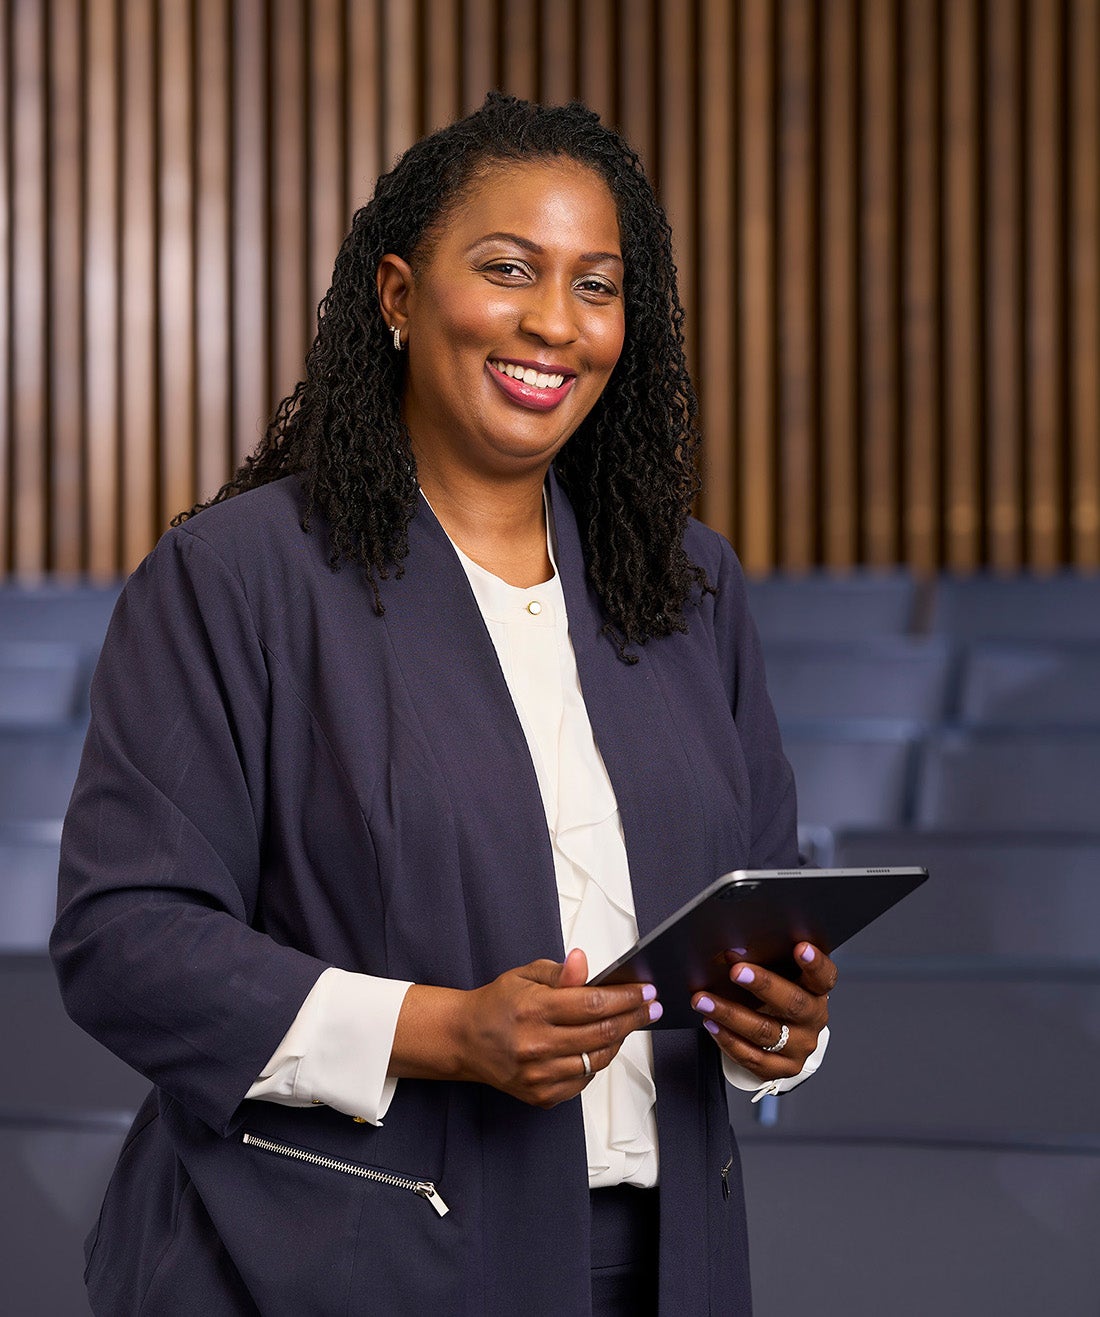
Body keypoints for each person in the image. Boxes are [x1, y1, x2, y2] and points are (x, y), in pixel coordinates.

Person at [52, 93, 835, 1316]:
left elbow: (758, 904)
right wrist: (439, 1030)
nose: (551, 324)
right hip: (334, 1263)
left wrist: (779, 1031)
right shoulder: (239, 577)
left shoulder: (682, 584)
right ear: (401, 295)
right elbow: (127, 940)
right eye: (508, 269)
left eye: (595, 285)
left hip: (666, 1266)